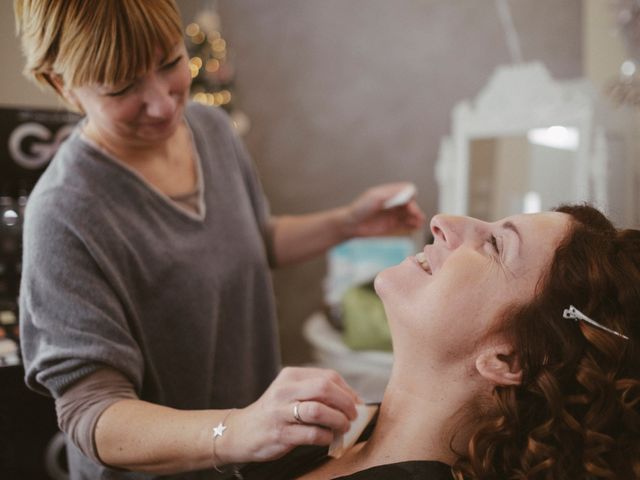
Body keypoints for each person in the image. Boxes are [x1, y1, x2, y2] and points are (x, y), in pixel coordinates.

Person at [13, 1, 425, 479]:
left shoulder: (209, 129)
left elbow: (253, 241)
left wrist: (348, 223)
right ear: (60, 83)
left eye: (169, 63)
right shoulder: (64, 213)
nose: (164, 103)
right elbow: (93, 414)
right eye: (123, 88)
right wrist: (237, 431)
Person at [235, 204, 640, 479]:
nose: (443, 221)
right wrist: (225, 435)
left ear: (507, 359)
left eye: (495, 245)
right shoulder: (341, 426)